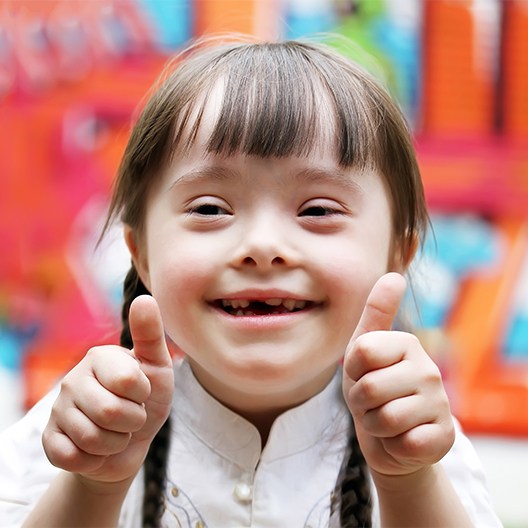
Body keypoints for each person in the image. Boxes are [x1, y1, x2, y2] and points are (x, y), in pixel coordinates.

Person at [0, 36, 501, 527]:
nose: (263, 245)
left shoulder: (427, 445)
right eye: (211, 208)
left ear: (398, 254)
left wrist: (410, 482)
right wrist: (93, 487)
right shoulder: (78, 428)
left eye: (318, 209)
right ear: (142, 254)